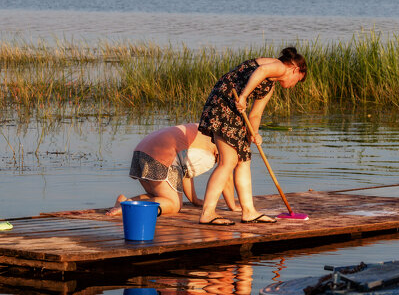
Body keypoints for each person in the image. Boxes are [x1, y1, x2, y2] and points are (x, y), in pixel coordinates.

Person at [196, 47, 307, 226]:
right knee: (228, 161)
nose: (294, 85)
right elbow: (260, 71)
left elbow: (255, 115)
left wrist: (254, 134)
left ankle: (248, 212)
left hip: (236, 108)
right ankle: (207, 213)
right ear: (295, 70)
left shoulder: (270, 87)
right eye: (297, 80)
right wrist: (244, 96)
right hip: (225, 102)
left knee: (244, 159)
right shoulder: (279, 66)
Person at [107, 123, 238, 217]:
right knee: (174, 205)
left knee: (159, 197)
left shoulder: (206, 128)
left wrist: (195, 200)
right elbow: (225, 173)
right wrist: (232, 206)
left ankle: (125, 202)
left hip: (142, 151)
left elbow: (185, 172)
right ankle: (128, 209)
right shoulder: (224, 139)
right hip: (160, 155)